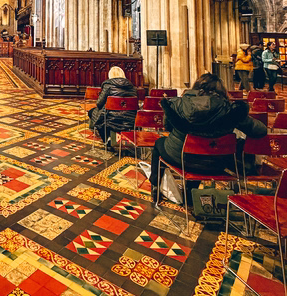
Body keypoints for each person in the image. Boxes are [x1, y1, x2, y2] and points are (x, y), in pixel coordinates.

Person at [149, 73, 267, 204]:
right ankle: (190, 191)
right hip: (216, 162)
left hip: (180, 158)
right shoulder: (229, 109)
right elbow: (260, 131)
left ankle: (155, 185)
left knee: (159, 144)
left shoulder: (179, 104)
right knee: (204, 149)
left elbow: (168, 127)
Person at [88, 66, 137, 149]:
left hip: (111, 119)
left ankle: (106, 139)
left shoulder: (108, 86)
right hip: (129, 119)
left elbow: (99, 104)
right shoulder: (132, 87)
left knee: (94, 114)